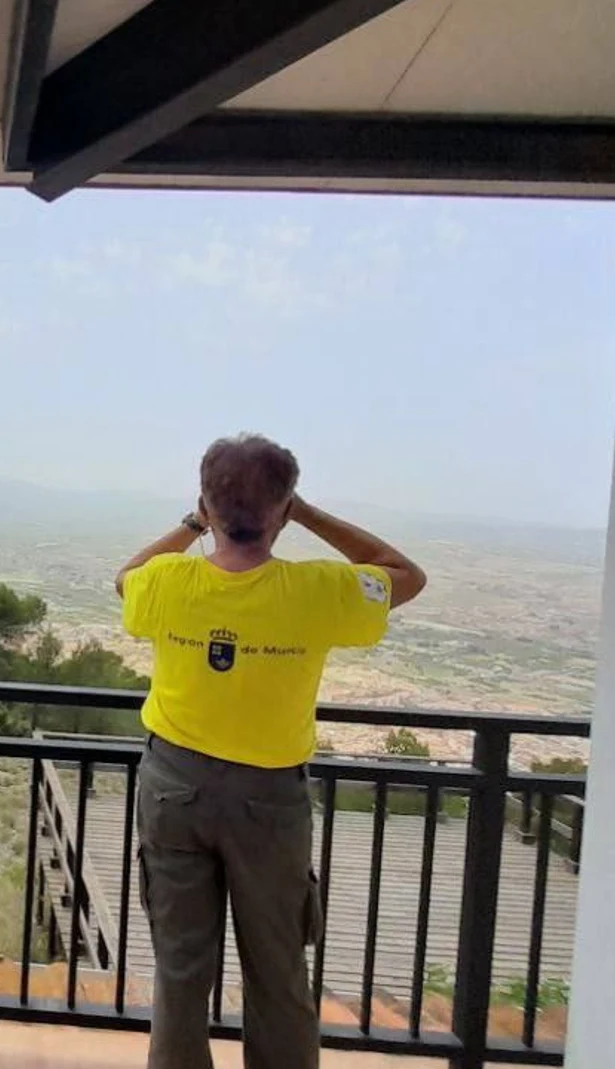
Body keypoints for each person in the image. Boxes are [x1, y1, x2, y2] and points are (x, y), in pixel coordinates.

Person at [116, 434, 426, 1069]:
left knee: (179, 968)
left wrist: (189, 523)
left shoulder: (169, 583)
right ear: (281, 508)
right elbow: (406, 575)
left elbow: (126, 578)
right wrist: (304, 513)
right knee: (278, 968)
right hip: (269, 798)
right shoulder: (317, 592)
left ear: (206, 502)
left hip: (173, 785)